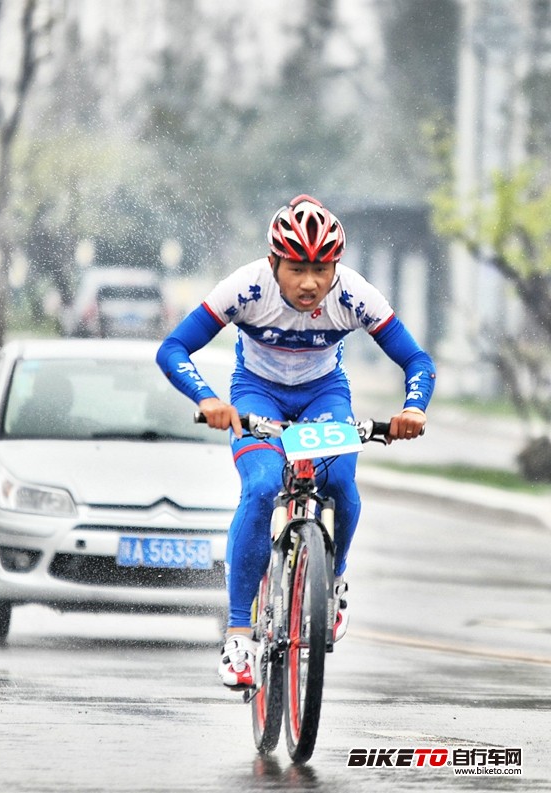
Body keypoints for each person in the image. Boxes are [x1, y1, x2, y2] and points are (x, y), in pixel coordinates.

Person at [156, 195, 434, 689]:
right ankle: (239, 637)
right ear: (273, 263)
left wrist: (413, 408)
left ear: (336, 268)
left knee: (342, 482)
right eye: (297, 268)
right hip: (255, 392)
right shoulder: (245, 288)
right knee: (262, 487)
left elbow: (418, 361)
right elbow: (173, 347)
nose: (310, 283)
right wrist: (208, 398)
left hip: (323, 395)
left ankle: (334, 583)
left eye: (322, 269)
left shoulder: (355, 295)